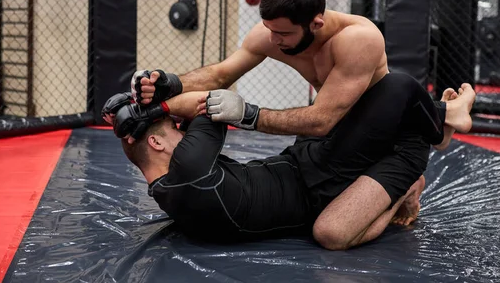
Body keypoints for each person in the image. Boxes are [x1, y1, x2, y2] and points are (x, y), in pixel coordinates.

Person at [127, 0, 476, 248]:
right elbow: (220, 73)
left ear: (316, 23)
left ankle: (442, 121)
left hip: (383, 128)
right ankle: (439, 125)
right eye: (269, 30)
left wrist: (248, 114)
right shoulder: (271, 34)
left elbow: (323, 120)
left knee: (397, 84)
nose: (274, 41)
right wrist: (169, 83)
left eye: (283, 34)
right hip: (332, 138)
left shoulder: (358, 40)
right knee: (332, 230)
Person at [105, 73, 476, 249]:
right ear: (154, 141)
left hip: (301, 162)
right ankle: (442, 121)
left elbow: (186, 119)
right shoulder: (187, 168)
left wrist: (147, 114)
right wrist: (162, 102)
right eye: (174, 127)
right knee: (398, 88)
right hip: (322, 181)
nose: (181, 130)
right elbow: (214, 100)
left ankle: (436, 124)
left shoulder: (167, 186)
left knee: (339, 95)